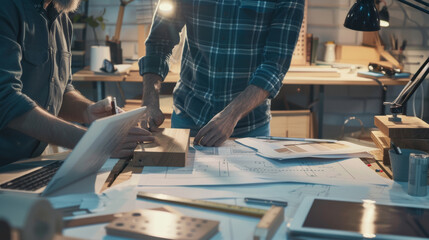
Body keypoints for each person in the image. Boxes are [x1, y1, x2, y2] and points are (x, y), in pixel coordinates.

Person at [0, 0, 153, 165]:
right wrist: (91, 141)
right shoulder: (6, 9)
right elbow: (5, 100)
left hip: (28, 162)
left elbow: (60, 90)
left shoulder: (61, 19)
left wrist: (87, 111)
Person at [139, 0, 304, 147]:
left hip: (249, 126)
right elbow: (160, 41)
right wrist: (149, 100)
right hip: (188, 114)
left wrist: (231, 115)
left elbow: (274, 66)